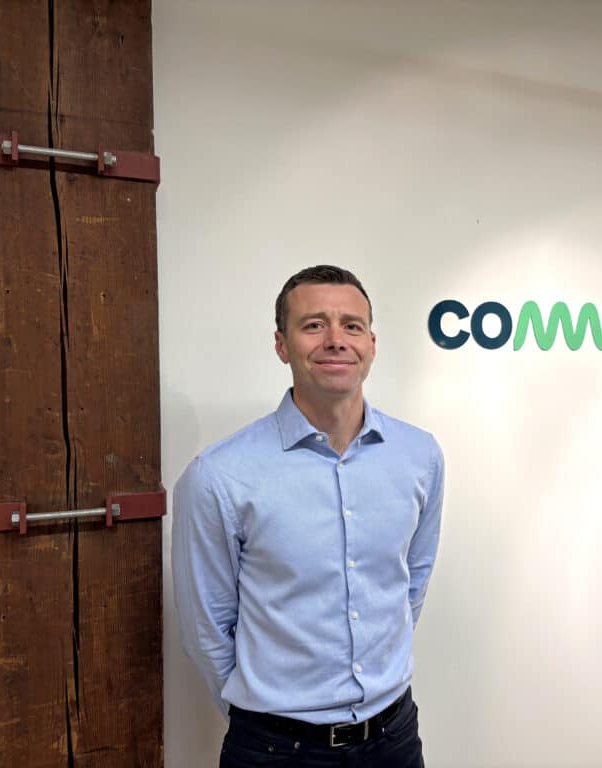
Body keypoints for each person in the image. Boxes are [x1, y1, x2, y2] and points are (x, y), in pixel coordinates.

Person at [172, 265, 444, 768]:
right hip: (276, 751)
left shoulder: (419, 455)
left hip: (395, 739)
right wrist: (265, 711)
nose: (336, 340)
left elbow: (412, 582)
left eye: (352, 326)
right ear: (282, 345)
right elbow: (206, 625)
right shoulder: (219, 475)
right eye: (314, 324)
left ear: (372, 344)